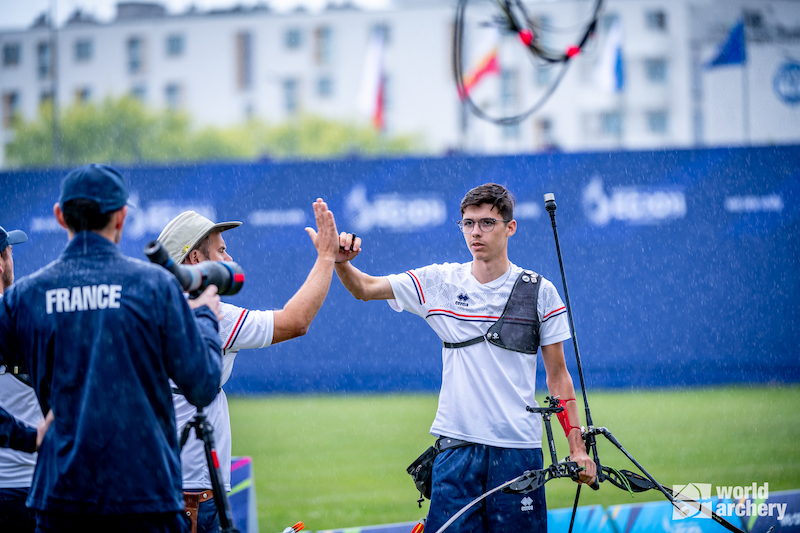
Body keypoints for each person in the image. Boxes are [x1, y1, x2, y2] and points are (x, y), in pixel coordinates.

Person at [334, 183, 597, 533]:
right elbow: (365, 288)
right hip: (457, 449)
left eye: (487, 223)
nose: (476, 232)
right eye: (468, 223)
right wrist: (339, 262)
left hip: (518, 451)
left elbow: (559, 376)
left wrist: (577, 447)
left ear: (510, 227)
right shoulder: (440, 281)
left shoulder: (540, 291)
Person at [0, 164, 224, 533]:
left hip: (62, 501)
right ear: (121, 217)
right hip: (145, 498)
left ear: (60, 216)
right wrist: (204, 319)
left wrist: (25, 436)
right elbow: (202, 384)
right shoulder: (154, 288)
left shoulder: (26, 297)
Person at [157, 199, 340, 533]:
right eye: (221, 251)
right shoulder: (208, 312)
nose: (230, 259)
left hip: (152, 487)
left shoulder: (149, 306)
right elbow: (295, 321)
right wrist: (327, 257)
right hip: (193, 497)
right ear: (196, 259)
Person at [0, 224, 43, 532]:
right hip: (23, 490)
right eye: (10, 251)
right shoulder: (23, 319)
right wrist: (33, 438)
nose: (13, 258)